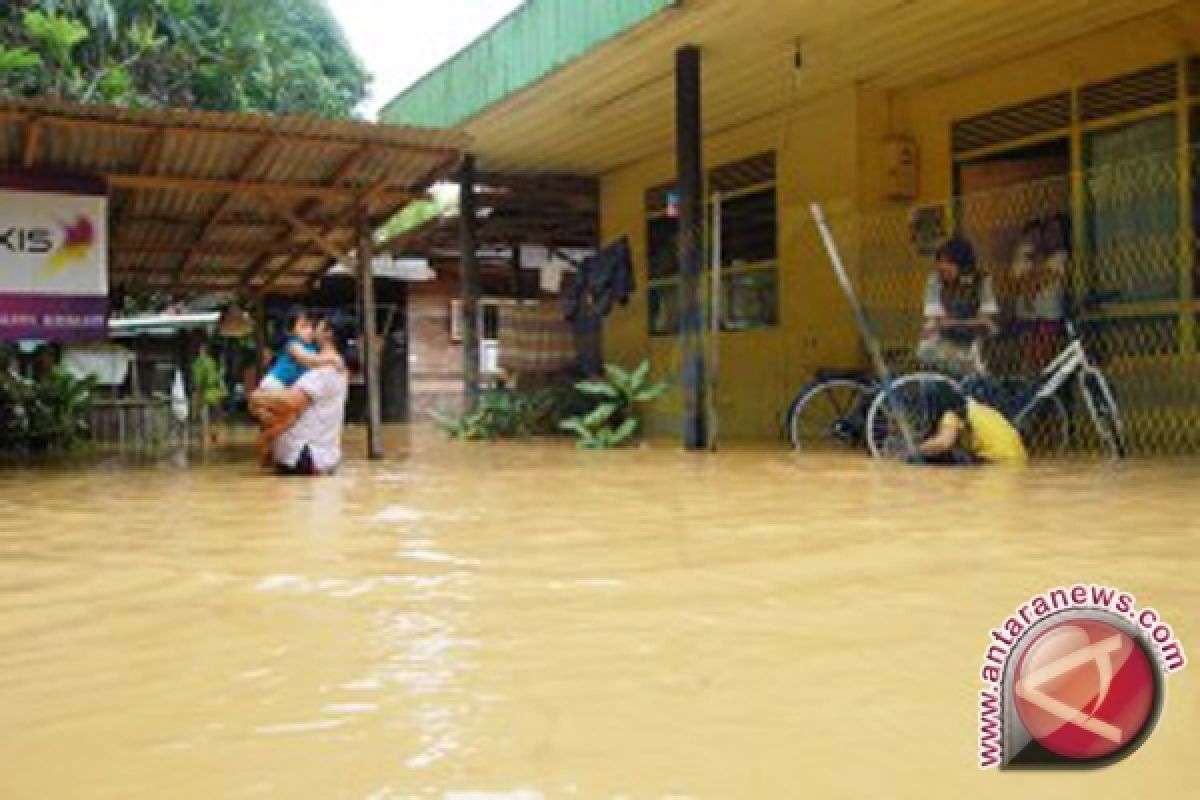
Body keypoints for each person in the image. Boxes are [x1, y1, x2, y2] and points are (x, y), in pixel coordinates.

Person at [250, 319, 349, 476]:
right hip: (318, 456)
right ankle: (267, 445)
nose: (312, 329)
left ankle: (265, 442)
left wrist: (255, 397)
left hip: (303, 456)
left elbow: (290, 403)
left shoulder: (323, 371)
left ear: (328, 334)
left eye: (317, 325)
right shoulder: (333, 368)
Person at [917, 237, 999, 377]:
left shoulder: (982, 281)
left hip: (974, 342)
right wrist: (972, 322)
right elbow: (938, 321)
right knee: (926, 347)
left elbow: (987, 320)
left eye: (948, 262)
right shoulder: (935, 281)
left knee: (987, 344)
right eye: (940, 262)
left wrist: (952, 323)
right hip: (944, 342)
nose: (942, 267)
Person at [913, 382, 1026, 467]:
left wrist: (916, 450)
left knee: (931, 458)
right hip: (1018, 460)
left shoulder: (951, 414)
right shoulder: (976, 407)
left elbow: (943, 443)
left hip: (995, 463)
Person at [1011, 216, 1068, 368]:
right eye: (1048, 231)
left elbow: (1040, 280)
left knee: (1044, 360)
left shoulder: (1060, 256)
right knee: (1029, 359)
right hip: (1028, 316)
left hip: (1048, 316)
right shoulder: (1025, 253)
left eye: (1055, 231)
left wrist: (1029, 286)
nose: (1050, 235)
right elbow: (1017, 282)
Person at [258, 309, 341, 391]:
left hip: (287, 386)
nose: (309, 331)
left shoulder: (313, 347)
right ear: (291, 332)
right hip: (275, 382)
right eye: (303, 326)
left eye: (311, 326)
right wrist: (331, 360)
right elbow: (309, 360)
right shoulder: (293, 345)